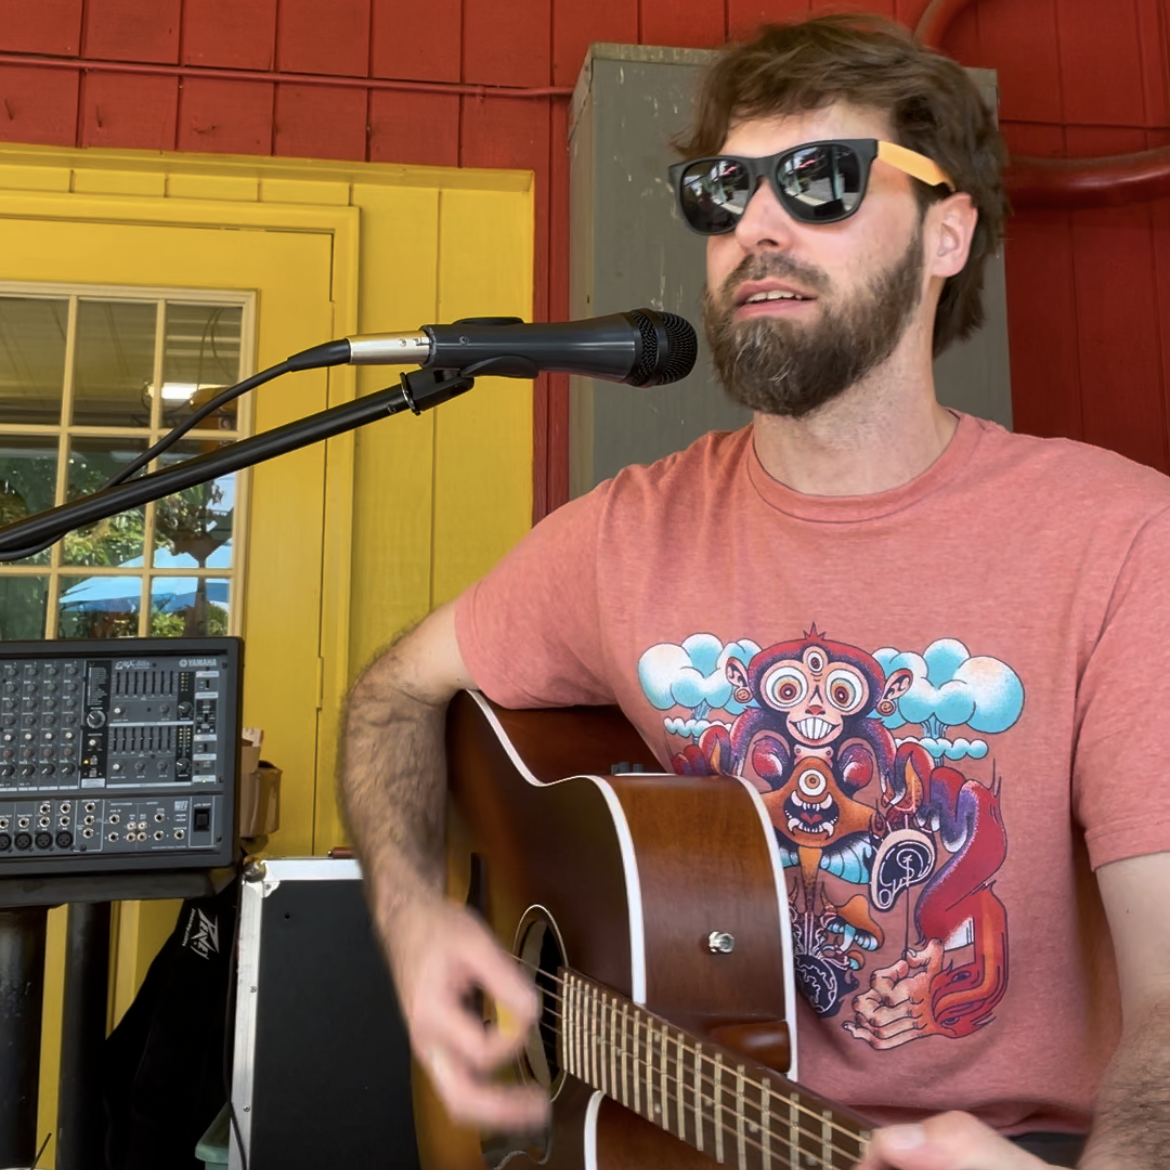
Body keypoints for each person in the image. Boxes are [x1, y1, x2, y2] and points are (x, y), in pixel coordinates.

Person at [339, 15, 1170, 1169]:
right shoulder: (625, 537)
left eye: (822, 181)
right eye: (724, 191)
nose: (757, 226)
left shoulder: (1122, 540)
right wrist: (411, 918)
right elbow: (396, 692)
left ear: (948, 233)